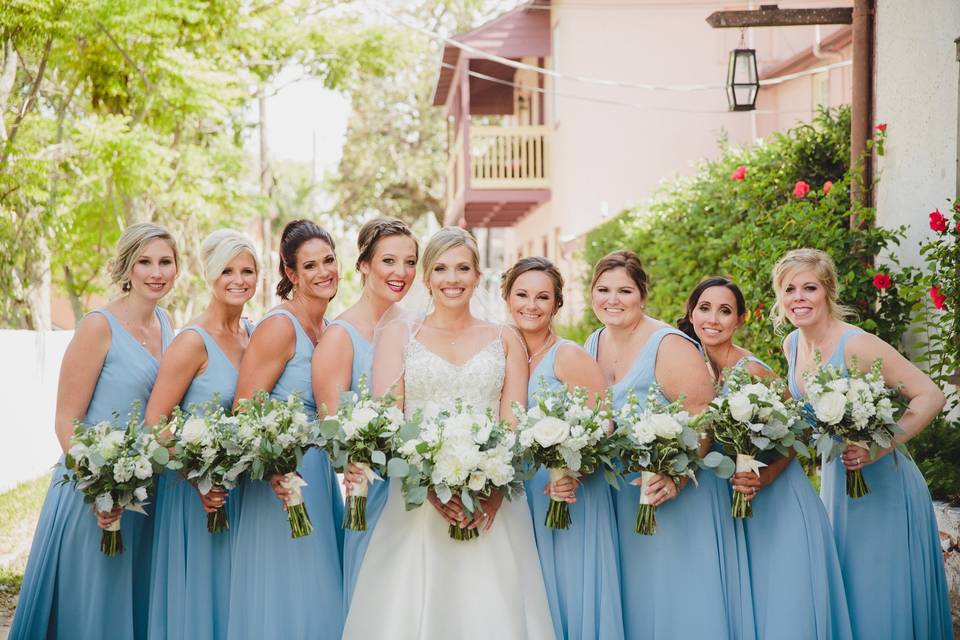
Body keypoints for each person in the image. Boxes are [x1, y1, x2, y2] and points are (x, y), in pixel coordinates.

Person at [342, 227, 554, 639]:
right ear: (427, 277)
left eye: (462, 269)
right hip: (419, 505)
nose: (452, 279)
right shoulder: (400, 335)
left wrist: (492, 492)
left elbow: (514, 423)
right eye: (440, 269)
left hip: (492, 505)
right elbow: (390, 422)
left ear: (478, 276)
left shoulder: (504, 338)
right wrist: (429, 486)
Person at [10, 222, 178, 640]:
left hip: (145, 495)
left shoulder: (168, 324)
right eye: (145, 262)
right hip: (93, 493)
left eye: (165, 262)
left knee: (130, 608)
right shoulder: (97, 326)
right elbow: (66, 420)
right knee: (91, 610)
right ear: (126, 267)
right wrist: (99, 487)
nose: (156, 272)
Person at [776, 248, 952, 639]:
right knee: (851, 587)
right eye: (790, 289)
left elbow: (930, 396)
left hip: (883, 484)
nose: (799, 297)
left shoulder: (856, 344)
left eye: (810, 287)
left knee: (880, 592)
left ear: (828, 293)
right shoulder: (792, 346)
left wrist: (880, 447)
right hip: (838, 481)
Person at [585, 250, 751, 640]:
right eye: (603, 289)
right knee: (639, 603)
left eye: (624, 290)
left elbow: (703, 420)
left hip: (675, 492)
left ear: (642, 294)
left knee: (679, 604)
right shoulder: (593, 341)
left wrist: (674, 476)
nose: (613, 299)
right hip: (623, 495)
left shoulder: (669, 343)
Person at [679, 275, 852, 639]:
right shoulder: (683, 365)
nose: (713, 319)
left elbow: (799, 429)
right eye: (705, 308)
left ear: (740, 319)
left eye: (725, 311)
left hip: (777, 500)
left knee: (785, 609)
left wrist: (767, 475)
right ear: (691, 314)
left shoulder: (752, 370)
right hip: (733, 508)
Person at [227, 220, 344, 639]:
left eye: (329, 260)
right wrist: (275, 467)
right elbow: (244, 407)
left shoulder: (331, 331)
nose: (323, 271)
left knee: (322, 586)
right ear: (291, 275)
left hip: (319, 477)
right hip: (280, 481)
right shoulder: (280, 326)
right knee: (287, 593)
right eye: (310, 265)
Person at [144, 230, 258, 640]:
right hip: (196, 494)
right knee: (202, 600)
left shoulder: (254, 333)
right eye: (227, 270)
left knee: (236, 599)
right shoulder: (192, 341)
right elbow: (156, 421)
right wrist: (200, 479)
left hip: (242, 489)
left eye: (247, 270)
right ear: (210, 275)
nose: (238, 279)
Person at [502, 256, 624, 640]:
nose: (531, 305)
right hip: (518, 497)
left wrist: (571, 474)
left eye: (542, 297)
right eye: (522, 295)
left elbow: (603, 426)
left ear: (557, 304)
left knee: (567, 596)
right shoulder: (498, 349)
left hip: (568, 497)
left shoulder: (568, 355)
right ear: (506, 297)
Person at [315, 217, 419, 612]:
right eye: (389, 261)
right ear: (363, 265)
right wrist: (354, 460)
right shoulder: (341, 335)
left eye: (410, 262)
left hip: (422, 488)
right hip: (370, 492)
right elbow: (332, 428)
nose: (401, 273)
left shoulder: (418, 326)